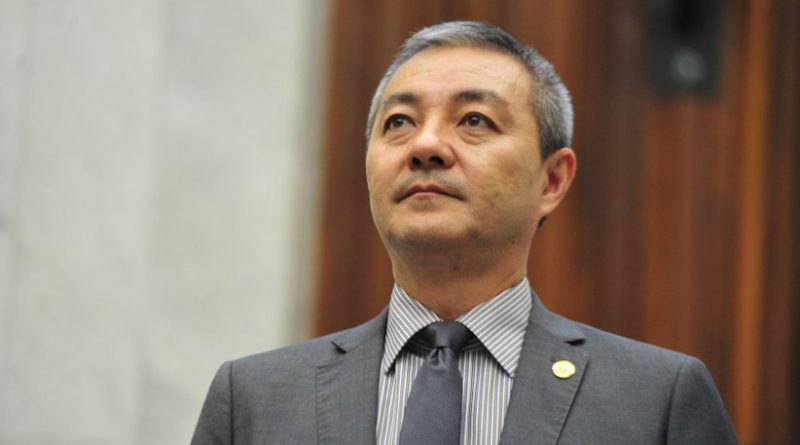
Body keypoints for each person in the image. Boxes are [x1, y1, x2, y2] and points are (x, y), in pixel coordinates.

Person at [191, 21, 737, 445]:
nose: (425, 145)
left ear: (552, 180)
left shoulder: (655, 401)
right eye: (399, 122)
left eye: (474, 120)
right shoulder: (255, 401)